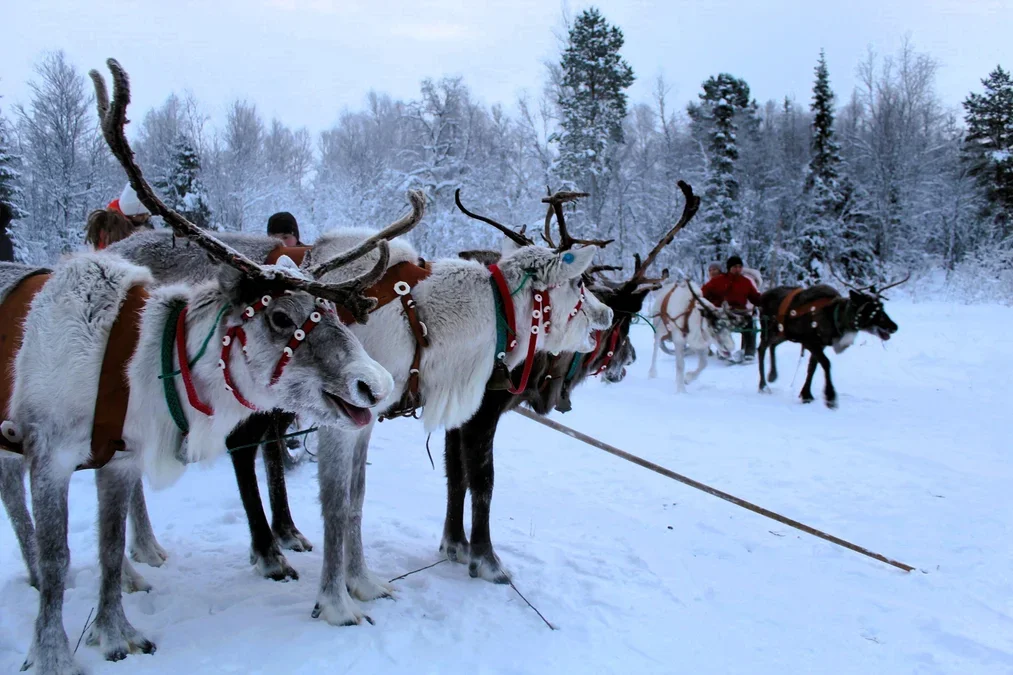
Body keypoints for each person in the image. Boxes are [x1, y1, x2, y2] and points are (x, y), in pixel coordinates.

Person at [701, 255, 762, 362]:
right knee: (720, 325)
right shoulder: (718, 281)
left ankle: (749, 351)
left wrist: (764, 301)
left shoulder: (746, 282)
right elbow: (703, 293)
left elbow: (755, 297)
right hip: (722, 312)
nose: (737, 269)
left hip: (741, 313)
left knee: (750, 324)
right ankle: (724, 349)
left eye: (739, 266)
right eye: (735, 267)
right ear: (729, 268)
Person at [85, 183, 154, 250]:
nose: (145, 217)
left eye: (147, 213)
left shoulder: (140, 222)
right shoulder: (109, 228)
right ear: (129, 213)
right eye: (140, 215)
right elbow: (104, 253)